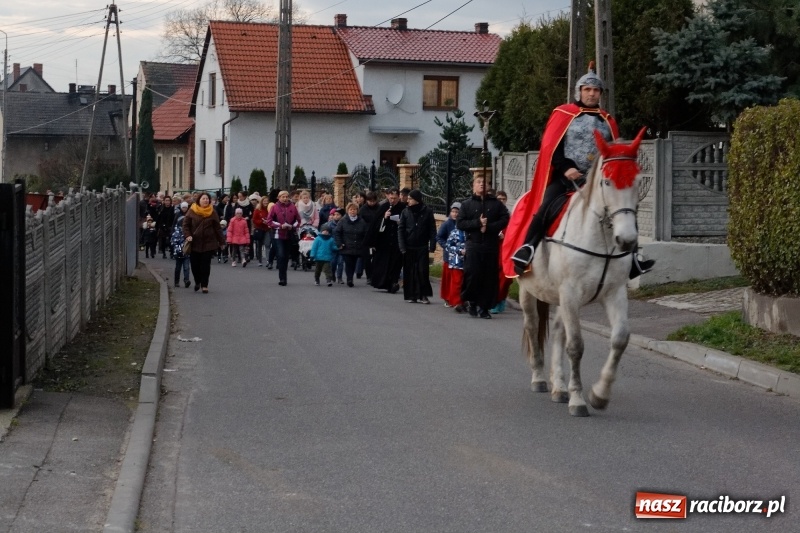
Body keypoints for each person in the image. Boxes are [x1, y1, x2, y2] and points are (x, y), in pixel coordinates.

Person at [505, 64, 655, 279]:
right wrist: (566, 168)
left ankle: (632, 259)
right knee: (546, 206)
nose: (592, 94)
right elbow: (551, 148)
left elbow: (612, 153)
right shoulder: (564, 114)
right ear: (579, 91)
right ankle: (527, 249)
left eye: (596, 91)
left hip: (596, 180)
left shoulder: (607, 119)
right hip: (566, 177)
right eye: (587, 90)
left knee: (624, 207)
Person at [456, 176, 509, 318]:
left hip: (490, 246)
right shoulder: (467, 204)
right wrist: (477, 223)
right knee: (472, 274)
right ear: (473, 186)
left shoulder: (496, 204)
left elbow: (505, 219)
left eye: (484, 182)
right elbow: (460, 223)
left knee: (489, 278)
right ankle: (472, 302)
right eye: (478, 182)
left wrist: (489, 227)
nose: (481, 184)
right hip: (473, 244)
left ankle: (484, 308)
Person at [397, 189, 437, 304]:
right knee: (410, 272)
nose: (408, 201)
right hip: (409, 246)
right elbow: (401, 230)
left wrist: (432, 245)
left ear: (417, 200)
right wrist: (402, 246)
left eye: (410, 199)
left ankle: (423, 295)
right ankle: (412, 295)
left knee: (422, 271)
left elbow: (432, 230)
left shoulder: (427, 211)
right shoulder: (405, 212)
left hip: (422, 246)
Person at [182, 192, 226, 293]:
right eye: (203, 199)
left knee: (206, 264)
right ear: (199, 200)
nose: (206, 200)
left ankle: (204, 285)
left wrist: (222, 241)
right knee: (195, 265)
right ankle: (197, 281)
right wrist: (188, 235)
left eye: (207, 199)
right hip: (194, 242)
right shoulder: (192, 210)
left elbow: (217, 228)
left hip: (208, 242)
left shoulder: (212, 212)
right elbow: (185, 225)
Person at [369, 187, 406, 293]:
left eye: (394, 198)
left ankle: (393, 283)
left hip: (397, 241)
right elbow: (375, 225)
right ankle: (382, 283)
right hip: (384, 241)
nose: (392, 200)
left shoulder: (404, 208)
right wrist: (384, 218)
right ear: (387, 196)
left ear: (399, 197)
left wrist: (401, 222)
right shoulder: (383, 207)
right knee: (383, 264)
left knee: (395, 264)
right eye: (391, 198)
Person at [265, 190, 301, 286]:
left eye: (286, 197)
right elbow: (269, 221)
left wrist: (292, 226)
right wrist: (280, 226)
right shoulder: (274, 207)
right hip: (278, 235)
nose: (285, 198)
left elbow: (298, 220)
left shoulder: (293, 207)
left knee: (285, 257)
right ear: (279, 197)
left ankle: (284, 276)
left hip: (289, 235)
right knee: (280, 255)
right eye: (283, 197)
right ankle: (282, 278)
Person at [333, 202, 369, 287]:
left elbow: (365, 233)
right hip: (346, 246)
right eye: (351, 209)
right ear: (348, 211)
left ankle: (350, 276)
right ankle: (349, 279)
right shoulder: (343, 221)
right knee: (348, 263)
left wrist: (364, 244)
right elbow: (337, 232)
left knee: (354, 263)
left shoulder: (361, 221)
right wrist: (340, 244)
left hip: (357, 246)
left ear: (357, 211)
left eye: (354, 209)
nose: (353, 211)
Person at [436, 202, 461, 307]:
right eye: (453, 211)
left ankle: (456, 298)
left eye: (457, 212)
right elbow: (439, 237)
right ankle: (447, 297)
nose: (455, 214)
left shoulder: (462, 223)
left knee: (457, 279)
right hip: (449, 256)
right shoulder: (447, 224)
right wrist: (446, 246)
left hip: (460, 256)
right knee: (448, 278)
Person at [491, 191, 511, 314]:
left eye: (503, 198)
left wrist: (505, 235)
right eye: (499, 198)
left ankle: (500, 300)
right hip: (493, 248)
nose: (501, 200)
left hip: (505, 249)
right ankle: (494, 300)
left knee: (504, 278)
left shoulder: (509, 215)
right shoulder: (492, 212)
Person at [170, 216, 192, 288]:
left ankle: (186, 280)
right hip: (178, 253)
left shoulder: (189, 232)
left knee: (186, 267)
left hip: (186, 252)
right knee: (178, 268)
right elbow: (174, 242)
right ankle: (176, 281)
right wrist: (179, 249)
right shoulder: (177, 232)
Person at [252, 195, 272, 266]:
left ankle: (268, 260)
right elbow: (254, 220)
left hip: (267, 229)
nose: (266, 202)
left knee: (267, 244)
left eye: (267, 201)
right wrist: (261, 221)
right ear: (261, 202)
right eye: (264, 201)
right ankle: (260, 261)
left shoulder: (270, 209)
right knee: (259, 245)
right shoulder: (257, 210)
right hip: (260, 229)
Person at [328, 208, 345, 283]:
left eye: (338, 215)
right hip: (333, 246)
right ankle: (332, 274)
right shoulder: (330, 224)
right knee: (333, 262)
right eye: (334, 215)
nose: (336, 216)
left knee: (340, 262)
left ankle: (339, 278)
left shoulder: (344, 223)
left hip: (342, 246)